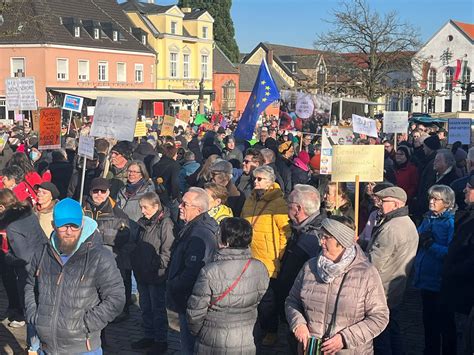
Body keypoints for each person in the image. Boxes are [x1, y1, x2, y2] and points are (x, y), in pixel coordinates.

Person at [24, 198, 125, 354]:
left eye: (74, 226)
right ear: (53, 226)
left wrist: (85, 324)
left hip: (83, 348)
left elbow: (116, 297)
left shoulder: (100, 256)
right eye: (63, 226)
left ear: (82, 225)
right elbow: (30, 285)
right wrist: (34, 316)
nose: (69, 231)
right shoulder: (42, 253)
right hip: (47, 348)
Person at [285, 216, 389, 354]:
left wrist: (345, 338)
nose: (321, 241)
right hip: (311, 350)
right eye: (321, 235)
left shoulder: (366, 273)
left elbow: (379, 316)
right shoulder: (309, 267)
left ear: (342, 241)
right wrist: (298, 323)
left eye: (326, 237)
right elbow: (292, 301)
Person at [187, 217, 269, 354]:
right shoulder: (260, 267)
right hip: (248, 337)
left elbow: (196, 311)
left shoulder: (210, 272)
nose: (216, 235)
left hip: (213, 339)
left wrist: (197, 332)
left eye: (219, 233)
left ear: (226, 241)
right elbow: (265, 301)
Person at [241, 165, 290, 345]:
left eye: (260, 179)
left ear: (270, 182)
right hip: (249, 254)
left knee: (267, 299)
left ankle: (271, 330)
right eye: (255, 178)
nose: (255, 181)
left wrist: (279, 254)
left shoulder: (278, 202)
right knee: (252, 297)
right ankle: (257, 328)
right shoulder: (251, 198)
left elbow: (285, 232)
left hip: (268, 258)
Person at [367, 186, 419, 354]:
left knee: (380, 334)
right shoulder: (406, 223)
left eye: (384, 201)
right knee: (392, 327)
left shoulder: (392, 228)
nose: (380, 204)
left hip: (383, 287)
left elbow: (373, 263)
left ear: (396, 204)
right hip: (395, 287)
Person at [167, 187, 218, 354]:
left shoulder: (200, 233)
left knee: (191, 346)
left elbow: (194, 270)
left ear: (198, 209)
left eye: (185, 204)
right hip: (187, 297)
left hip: (191, 298)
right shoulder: (192, 226)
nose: (180, 206)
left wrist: (174, 284)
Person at [413, 185, 456, 355]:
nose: (431, 201)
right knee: (428, 321)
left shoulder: (450, 223)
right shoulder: (428, 218)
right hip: (425, 278)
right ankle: (430, 350)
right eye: (430, 197)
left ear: (446, 203)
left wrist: (431, 245)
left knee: (444, 322)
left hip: (439, 280)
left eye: (436, 199)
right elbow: (418, 236)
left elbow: (450, 253)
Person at [130, 192, 174, 354]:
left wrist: (158, 266)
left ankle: (160, 340)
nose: (142, 211)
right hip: (142, 272)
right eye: (141, 207)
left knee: (158, 309)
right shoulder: (143, 222)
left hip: (156, 274)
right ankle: (149, 335)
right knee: (145, 307)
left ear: (156, 207)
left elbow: (167, 250)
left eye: (145, 207)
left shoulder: (165, 224)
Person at [83, 177, 130, 324]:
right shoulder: (81, 208)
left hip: (109, 257)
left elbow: (123, 237)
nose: (99, 194)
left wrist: (98, 235)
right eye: (95, 191)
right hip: (85, 257)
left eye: (102, 191)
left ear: (108, 192)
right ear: (90, 192)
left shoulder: (117, 213)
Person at [0, 188, 47, 333]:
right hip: (44, 258)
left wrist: (7, 257)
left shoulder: (12, 226)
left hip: (29, 268)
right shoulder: (28, 213)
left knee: (30, 304)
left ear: (1, 207)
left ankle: (32, 341)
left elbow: (23, 257)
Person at [277, 184, 326, 320]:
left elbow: (297, 273)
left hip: (303, 308)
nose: (286, 207)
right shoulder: (300, 229)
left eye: (289, 204)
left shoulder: (314, 236)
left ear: (298, 209)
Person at [441, 175, 474, 355]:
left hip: (464, 291)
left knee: (463, 338)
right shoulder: (467, 213)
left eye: (468, 188)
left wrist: (452, 270)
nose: (464, 190)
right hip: (454, 287)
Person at [152, 144, 182, 222]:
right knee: (174, 218)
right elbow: (175, 182)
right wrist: (175, 197)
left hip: (158, 194)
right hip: (169, 195)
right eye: (176, 154)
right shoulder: (174, 165)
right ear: (173, 154)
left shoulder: (156, 165)